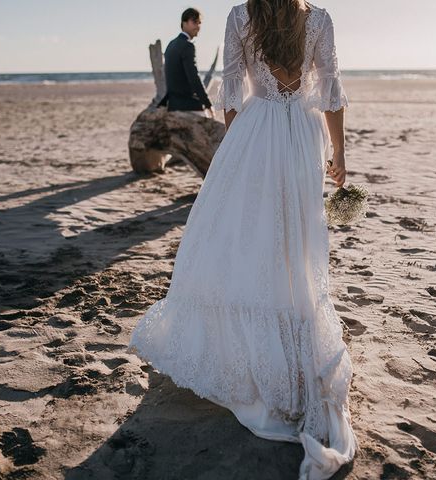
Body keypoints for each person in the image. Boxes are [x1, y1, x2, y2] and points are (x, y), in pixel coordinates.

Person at [128, 1, 358, 478]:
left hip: (255, 131)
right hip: (301, 135)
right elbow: (330, 93)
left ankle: (256, 342)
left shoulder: (240, 16)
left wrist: (239, 147)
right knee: (294, 239)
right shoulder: (318, 19)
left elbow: (232, 93)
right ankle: (291, 323)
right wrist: (339, 154)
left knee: (249, 234)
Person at [160, 7, 214, 117]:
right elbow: (194, 77)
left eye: (199, 23)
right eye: (194, 22)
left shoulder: (171, 44)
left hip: (172, 105)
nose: (198, 27)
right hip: (188, 106)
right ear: (184, 23)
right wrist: (207, 104)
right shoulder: (188, 46)